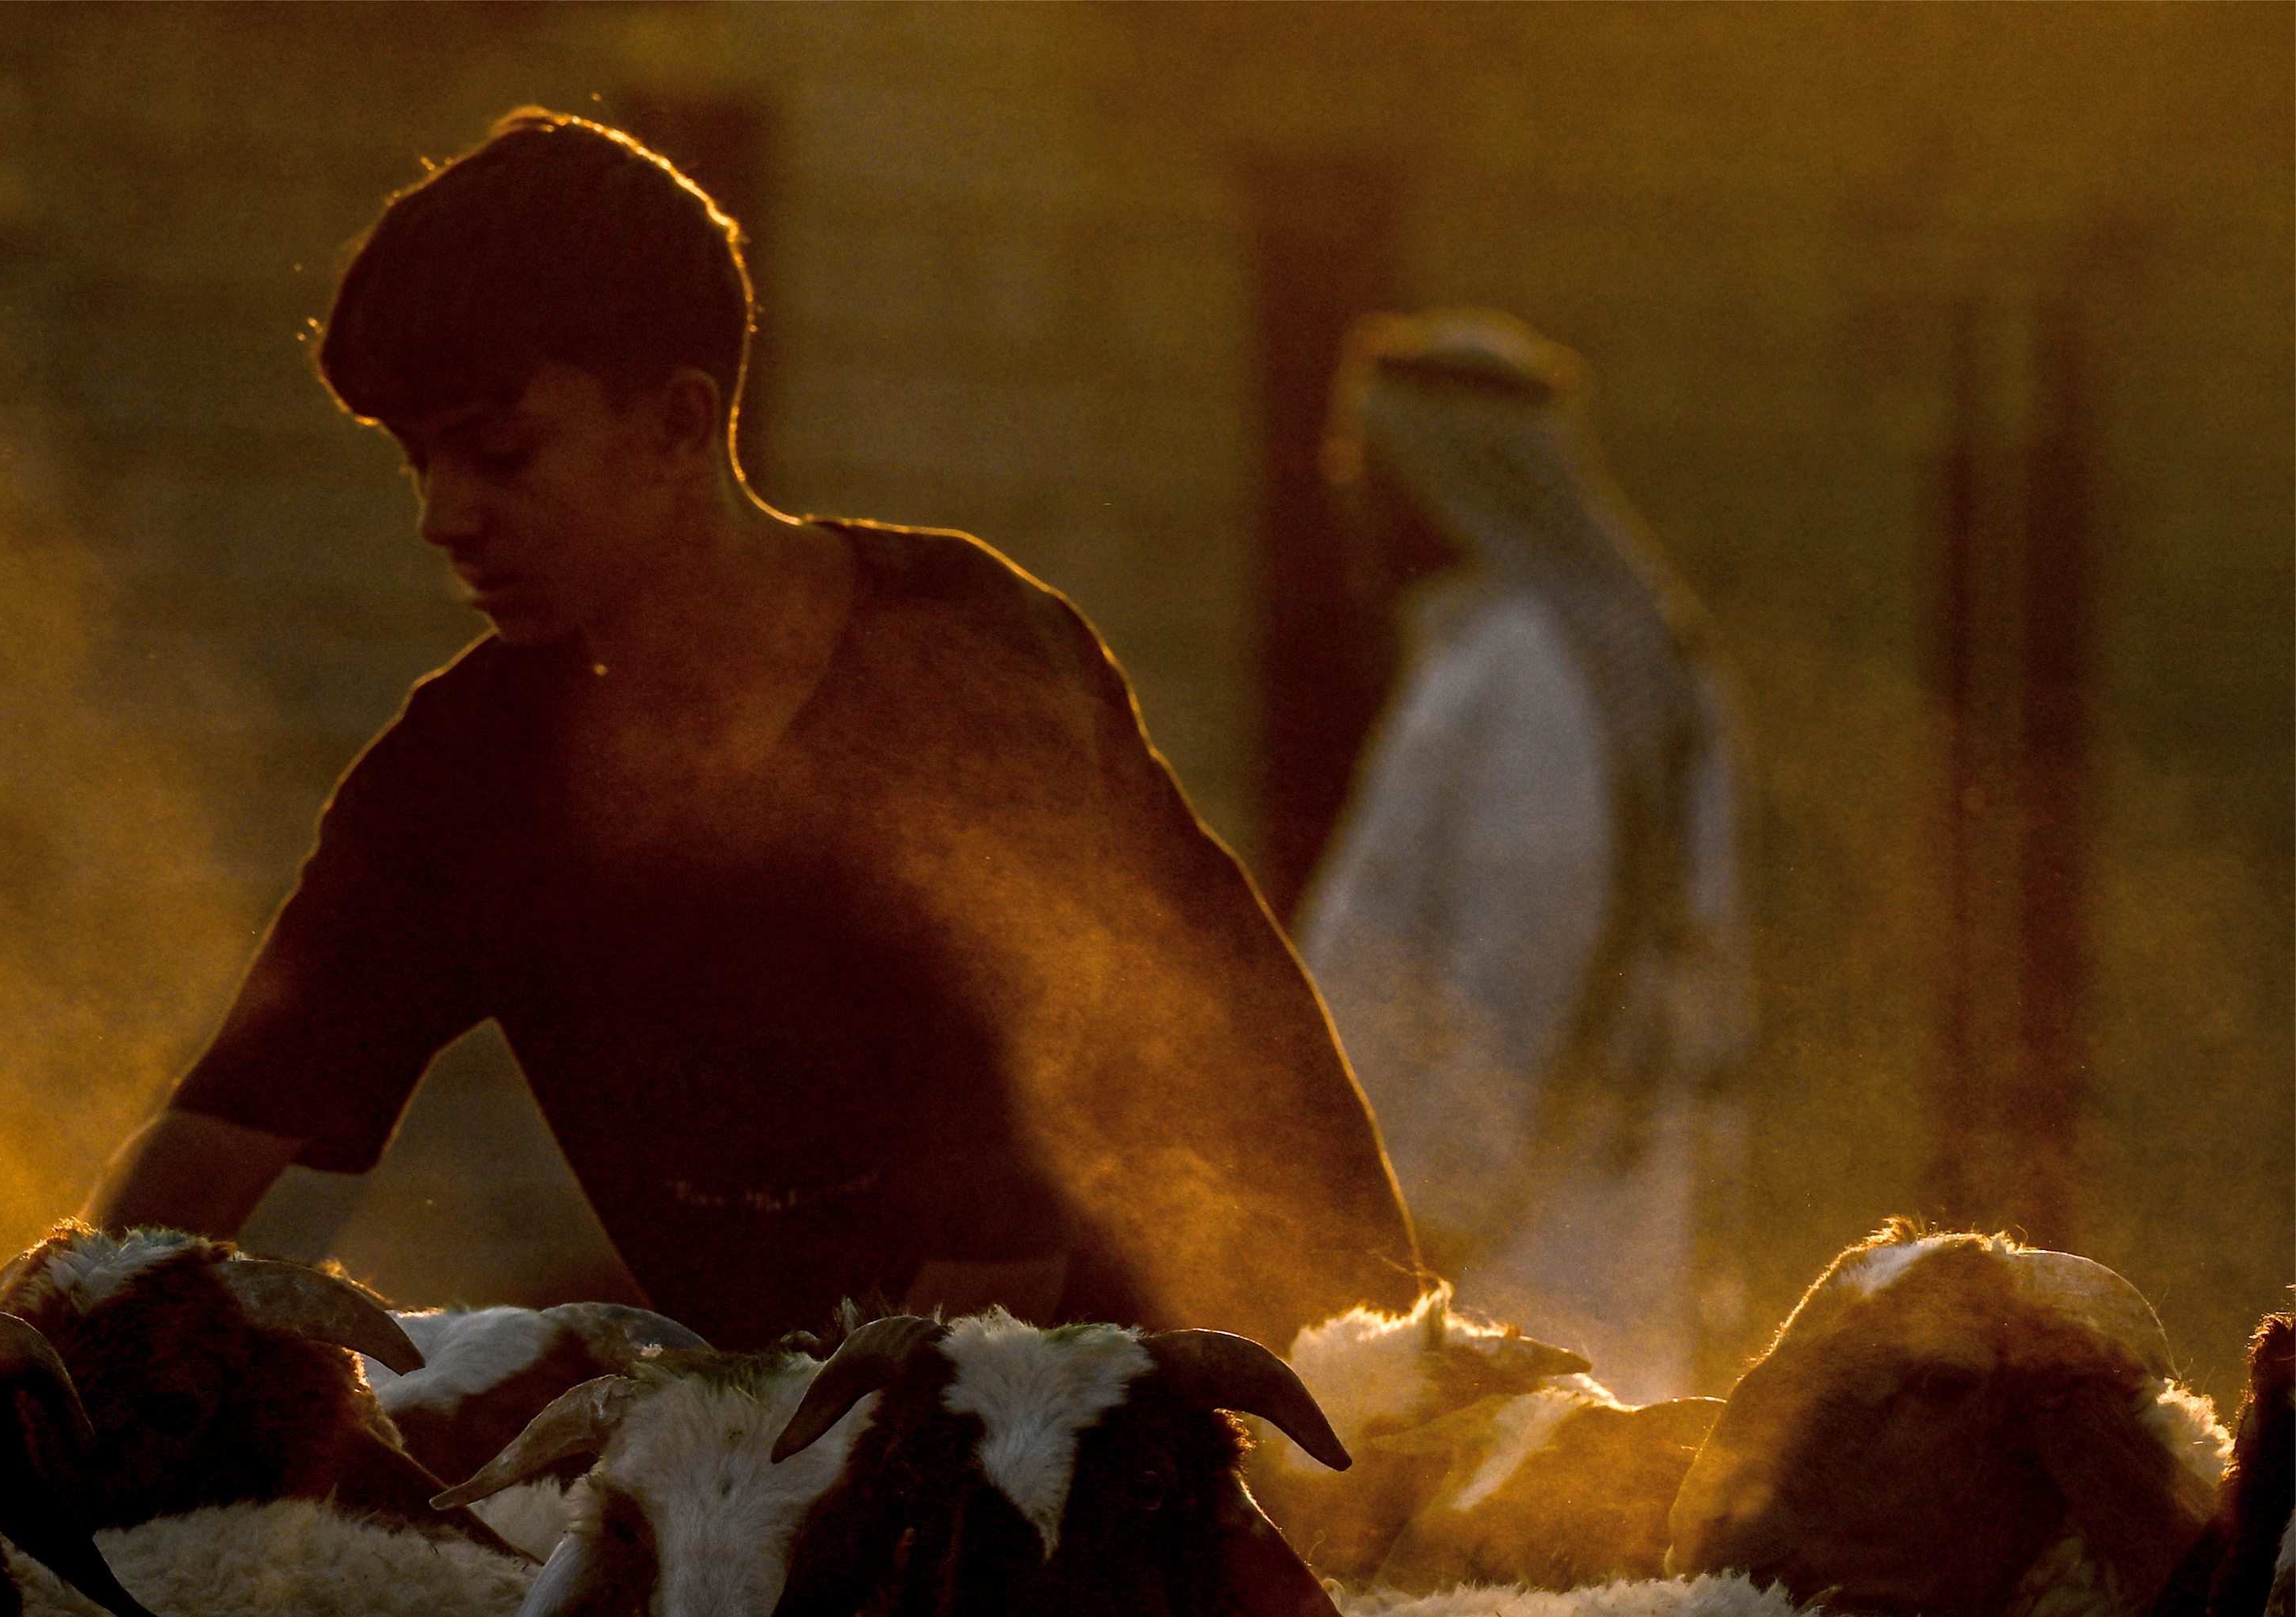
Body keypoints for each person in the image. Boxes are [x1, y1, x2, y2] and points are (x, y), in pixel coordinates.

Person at [85, 109, 1417, 1355]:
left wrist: (786, 1499)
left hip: (1241, 1408)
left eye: (500, 454)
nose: (443, 517)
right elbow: (225, 1130)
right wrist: (51, 1348)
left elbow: (1003, 1248)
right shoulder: (466, 775)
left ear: (676, 422)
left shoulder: (959, 664)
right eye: (412, 461)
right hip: (834, 1430)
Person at [1296, 310, 1749, 1403]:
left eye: (1376, 466)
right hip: (1506, 1237)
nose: (1355, 497)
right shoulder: (1502, 654)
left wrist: (1432, 1221)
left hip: (1511, 1250)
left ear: (1449, 475)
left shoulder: (1537, 669)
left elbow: (1526, 978)